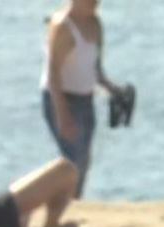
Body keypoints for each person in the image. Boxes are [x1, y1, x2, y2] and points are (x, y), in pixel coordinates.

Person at [41, 0, 124, 198]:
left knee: (83, 162)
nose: (95, 3)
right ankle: (52, 201)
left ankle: (73, 203)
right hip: (61, 98)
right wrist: (62, 115)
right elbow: (53, 75)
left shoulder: (95, 24)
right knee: (72, 160)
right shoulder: (62, 26)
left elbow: (95, 69)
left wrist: (113, 90)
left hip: (85, 100)